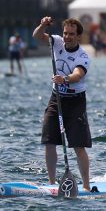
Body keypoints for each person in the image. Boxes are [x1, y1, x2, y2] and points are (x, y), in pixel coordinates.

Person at [33, 17, 92, 190]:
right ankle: (51, 184)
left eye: (71, 34)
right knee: (49, 142)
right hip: (56, 98)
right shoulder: (56, 42)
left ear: (78, 36)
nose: (67, 37)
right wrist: (43, 24)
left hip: (76, 102)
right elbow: (37, 36)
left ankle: (87, 186)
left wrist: (64, 79)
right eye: (65, 33)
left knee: (78, 146)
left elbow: (77, 75)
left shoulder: (83, 56)